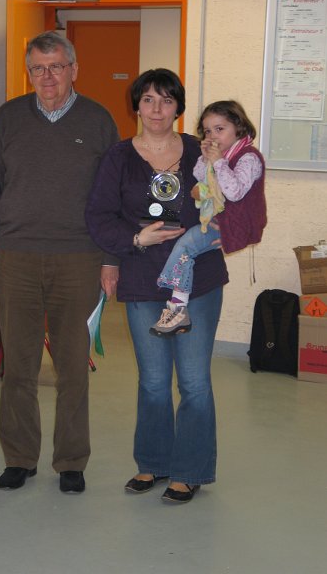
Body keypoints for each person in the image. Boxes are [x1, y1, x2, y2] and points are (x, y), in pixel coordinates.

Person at [0, 31, 118, 494]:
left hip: (79, 258)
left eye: (56, 66)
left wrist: (110, 259)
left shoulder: (98, 120)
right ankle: (19, 457)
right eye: (38, 68)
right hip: (16, 256)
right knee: (19, 365)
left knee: (73, 366)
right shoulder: (9, 118)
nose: (48, 76)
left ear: (74, 69)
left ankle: (71, 460)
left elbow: (113, 197)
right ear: (29, 72)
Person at [85, 68, 229, 504]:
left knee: (194, 381)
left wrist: (221, 227)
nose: (157, 109)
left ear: (178, 107)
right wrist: (135, 239)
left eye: (166, 100)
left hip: (198, 280)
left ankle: (191, 470)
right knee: (151, 380)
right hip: (143, 279)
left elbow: (233, 197)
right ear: (136, 105)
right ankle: (153, 463)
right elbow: (99, 216)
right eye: (148, 99)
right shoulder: (118, 158)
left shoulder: (199, 150)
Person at [150, 100, 266, 336]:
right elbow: (200, 177)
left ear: (239, 127)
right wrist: (205, 159)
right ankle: (177, 305)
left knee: (185, 246)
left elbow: (234, 192)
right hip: (218, 219)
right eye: (208, 131)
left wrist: (218, 162)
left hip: (236, 224)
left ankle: (177, 308)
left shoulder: (249, 158)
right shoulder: (222, 155)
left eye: (219, 129)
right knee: (185, 248)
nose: (213, 136)